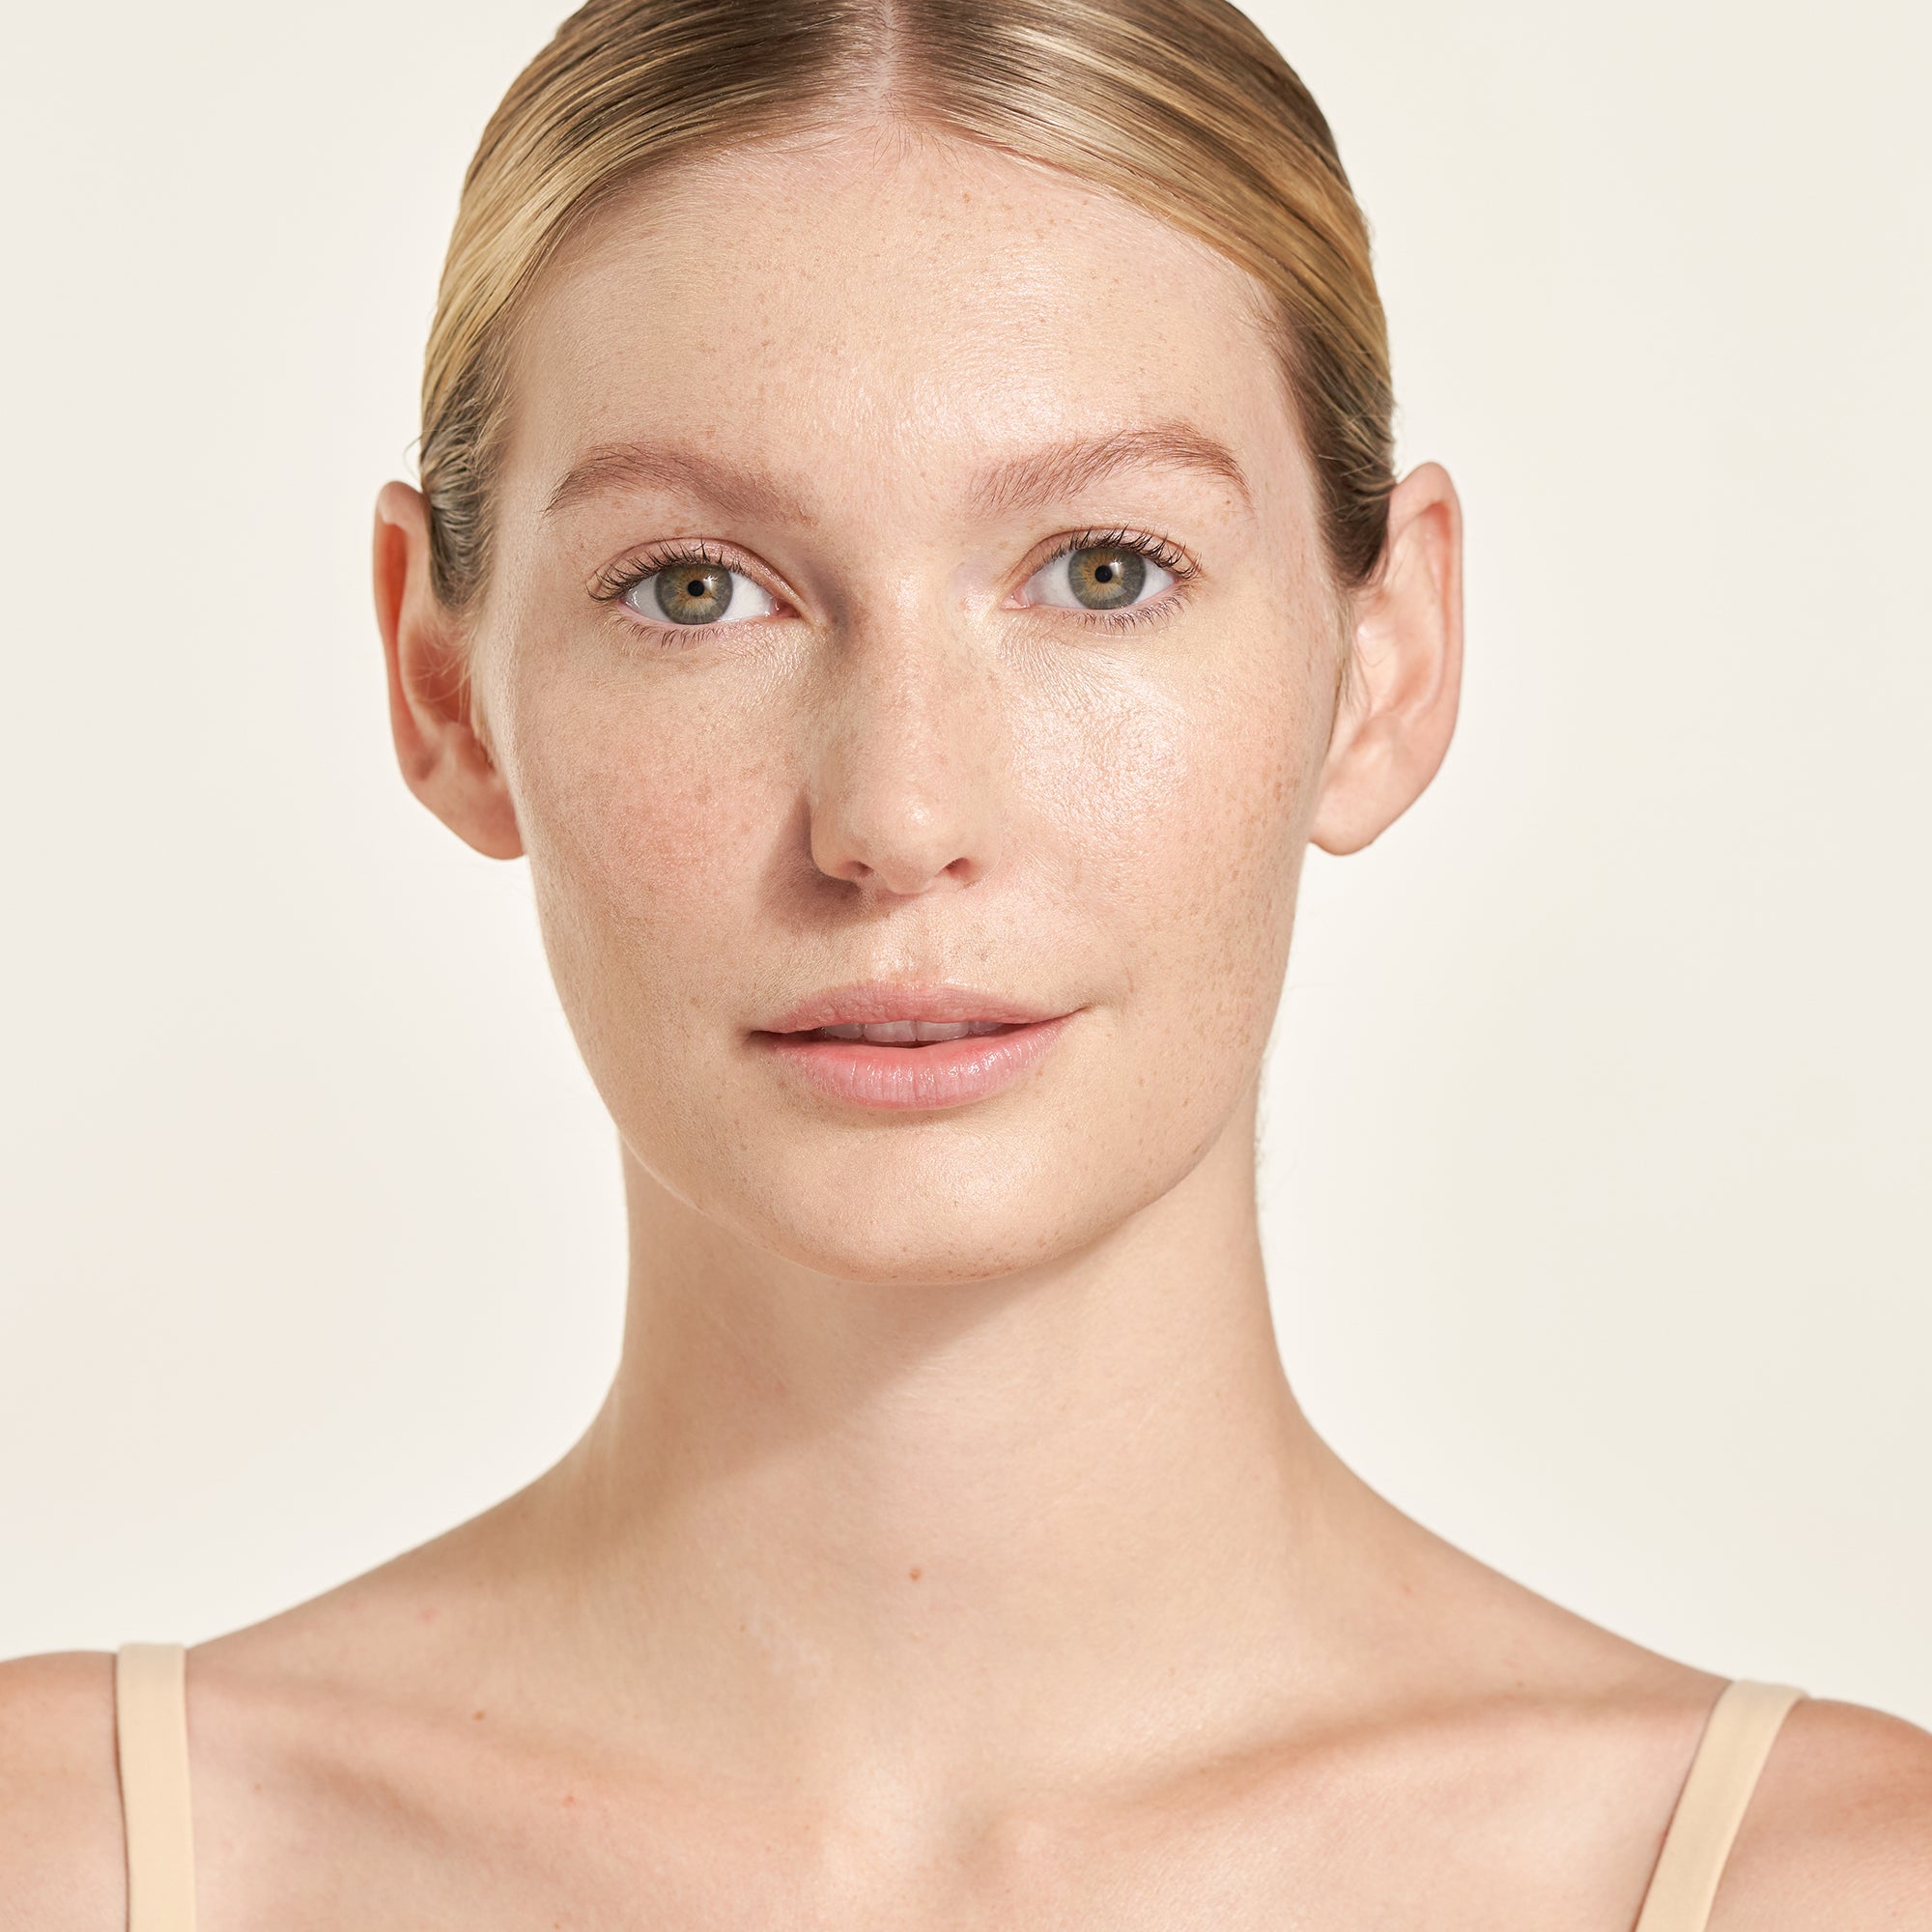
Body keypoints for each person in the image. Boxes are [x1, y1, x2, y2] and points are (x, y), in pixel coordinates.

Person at [4, 1, 1929, 1925]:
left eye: (1104, 569)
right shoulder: (69, 1859)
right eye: (696, 588)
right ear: (442, 684)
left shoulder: (1827, 1885)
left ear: (1388, 658)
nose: (897, 815)